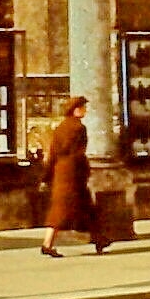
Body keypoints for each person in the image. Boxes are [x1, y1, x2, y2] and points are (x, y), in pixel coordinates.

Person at [40, 96, 96, 257]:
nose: (85, 110)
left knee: (62, 209)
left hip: (60, 173)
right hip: (74, 173)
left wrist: (46, 176)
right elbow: (79, 153)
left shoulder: (60, 128)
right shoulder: (79, 128)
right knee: (77, 208)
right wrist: (85, 171)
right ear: (76, 110)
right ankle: (47, 244)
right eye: (83, 108)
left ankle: (100, 238)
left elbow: (52, 154)